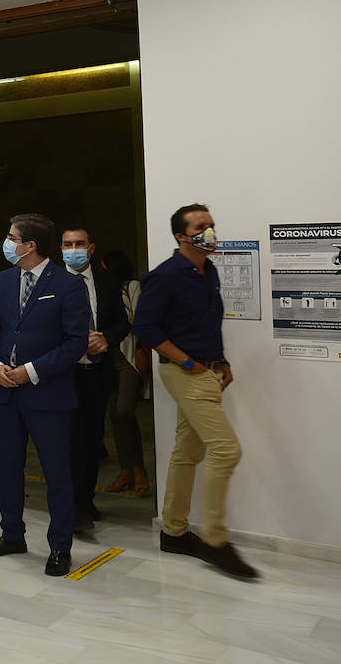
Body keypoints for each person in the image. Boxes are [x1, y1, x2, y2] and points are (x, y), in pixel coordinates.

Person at [136, 203, 257, 579]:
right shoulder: (166, 275)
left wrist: (222, 361)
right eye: (201, 226)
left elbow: (209, 322)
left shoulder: (209, 272)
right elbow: (145, 327)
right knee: (226, 450)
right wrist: (189, 363)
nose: (210, 231)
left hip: (208, 369)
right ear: (180, 236)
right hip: (184, 372)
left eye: (212, 225)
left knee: (188, 451)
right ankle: (217, 542)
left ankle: (173, 531)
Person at [0, 213, 89, 577]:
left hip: (48, 394)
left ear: (30, 245)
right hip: (6, 392)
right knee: (8, 468)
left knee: (57, 473)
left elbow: (74, 344)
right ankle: (12, 534)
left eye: (12, 237)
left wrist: (31, 371)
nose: (7, 242)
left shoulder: (69, 285)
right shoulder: (2, 280)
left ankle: (60, 546)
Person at [59, 225, 130, 532]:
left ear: (91, 248)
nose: (73, 248)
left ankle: (84, 502)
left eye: (79, 244)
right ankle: (68, 505)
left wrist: (106, 338)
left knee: (90, 442)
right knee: (65, 442)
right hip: (61, 375)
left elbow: (120, 323)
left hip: (95, 374)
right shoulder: (50, 281)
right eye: (67, 244)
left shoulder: (107, 282)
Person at [101, 250, 151, 497]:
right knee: (114, 415)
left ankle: (139, 469)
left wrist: (119, 321)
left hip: (130, 357)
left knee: (124, 410)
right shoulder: (103, 290)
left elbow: (141, 320)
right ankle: (126, 470)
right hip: (109, 359)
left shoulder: (132, 287)